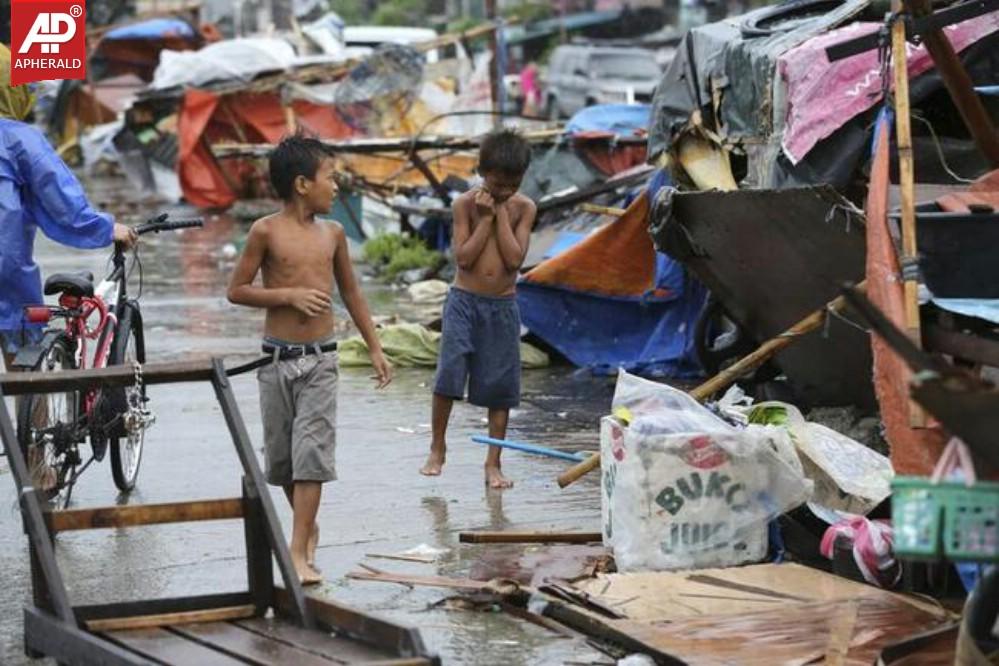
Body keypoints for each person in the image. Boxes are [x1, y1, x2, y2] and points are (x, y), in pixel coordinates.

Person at [227, 134, 392, 585]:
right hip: (275, 361)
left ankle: (298, 550)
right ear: (302, 184)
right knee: (282, 462)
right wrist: (287, 295)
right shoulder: (265, 231)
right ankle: (308, 525)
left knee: (311, 457)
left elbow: (352, 292)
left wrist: (375, 347)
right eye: (330, 178)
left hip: (321, 361)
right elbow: (236, 290)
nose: (336, 187)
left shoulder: (333, 234)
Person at [0, 43, 136, 371]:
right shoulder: (17, 139)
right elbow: (60, 199)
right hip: (6, 272)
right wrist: (106, 228)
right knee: (25, 368)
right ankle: (33, 421)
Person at [420, 129, 535, 489]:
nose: (504, 191)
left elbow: (515, 259)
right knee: (449, 372)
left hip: (502, 306)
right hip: (464, 301)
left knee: (501, 384)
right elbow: (465, 259)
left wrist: (499, 213)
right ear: (482, 172)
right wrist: (484, 218)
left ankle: (493, 463)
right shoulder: (464, 205)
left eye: (512, 185)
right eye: (498, 184)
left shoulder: (524, 208)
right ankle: (437, 447)